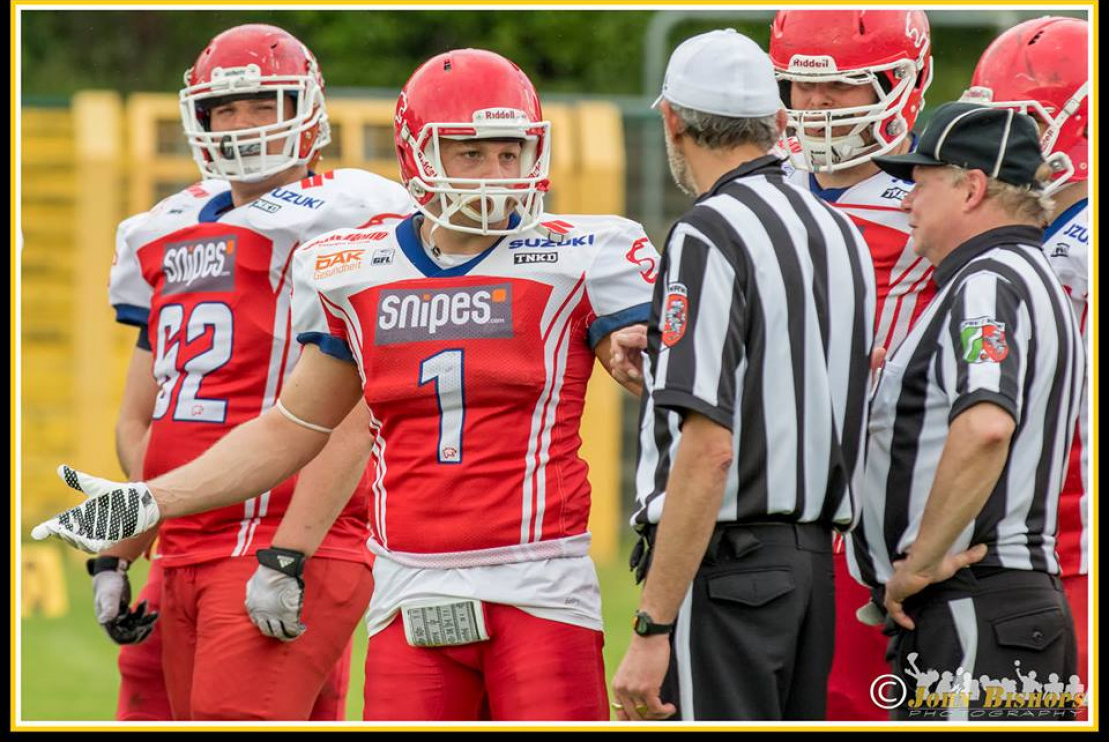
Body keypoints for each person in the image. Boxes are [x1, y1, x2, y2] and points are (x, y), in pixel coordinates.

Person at [34, 47, 659, 722]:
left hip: (541, 583)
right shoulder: (357, 267)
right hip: (407, 589)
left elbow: (676, 387)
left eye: (511, 153)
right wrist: (146, 502)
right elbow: (291, 427)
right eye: (471, 153)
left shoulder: (584, 255)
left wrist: (644, 359)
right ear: (418, 155)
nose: (497, 175)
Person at [88, 23, 414, 720]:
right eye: (225, 109)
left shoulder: (350, 215)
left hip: (277, 534)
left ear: (308, 110)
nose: (243, 124)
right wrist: (131, 538)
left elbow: (352, 412)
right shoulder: (161, 228)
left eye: (264, 104)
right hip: (185, 542)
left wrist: (290, 551)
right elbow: (145, 416)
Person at [610, 29, 876, 721]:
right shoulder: (838, 230)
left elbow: (710, 448)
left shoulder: (708, 231)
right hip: (813, 567)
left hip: (730, 568)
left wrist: (651, 625)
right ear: (777, 120)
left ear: (671, 120)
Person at [859, 101, 1084, 721]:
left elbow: (986, 425)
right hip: (999, 607)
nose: (907, 201)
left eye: (921, 182)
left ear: (971, 187)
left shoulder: (988, 282)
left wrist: (921, 562)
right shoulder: (1023, 274)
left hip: (976, 602)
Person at [768, 9, 937, 720]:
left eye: (841, 85)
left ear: (902, 82)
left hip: (881, 503)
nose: (815, 104)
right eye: (800, 85)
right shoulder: (763, 186)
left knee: (854, 701)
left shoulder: (934, 195)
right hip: (768, 495)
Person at [963, 16, 1090, 700]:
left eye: (1024, 124)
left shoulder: (1073, 251)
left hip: (1071, 550)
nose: (1000, 145)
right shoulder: (1042, 239)